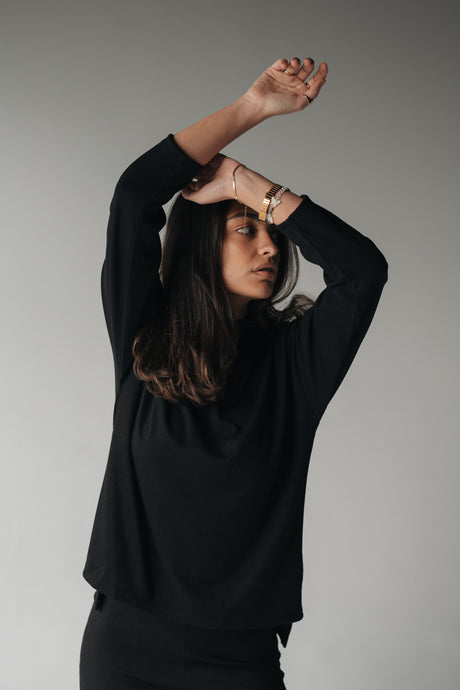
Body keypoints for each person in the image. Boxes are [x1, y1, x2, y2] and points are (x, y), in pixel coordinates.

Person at [79, 56, 388, 689]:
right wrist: (251, 109)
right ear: (201, 245)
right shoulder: (145, 336)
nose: (270, 245)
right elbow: (135, 195)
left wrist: (249, 186)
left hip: (239, 660)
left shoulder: (294, 366)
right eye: (245, 229)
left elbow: (362, 272)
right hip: (124, 646)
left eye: (271, 230)